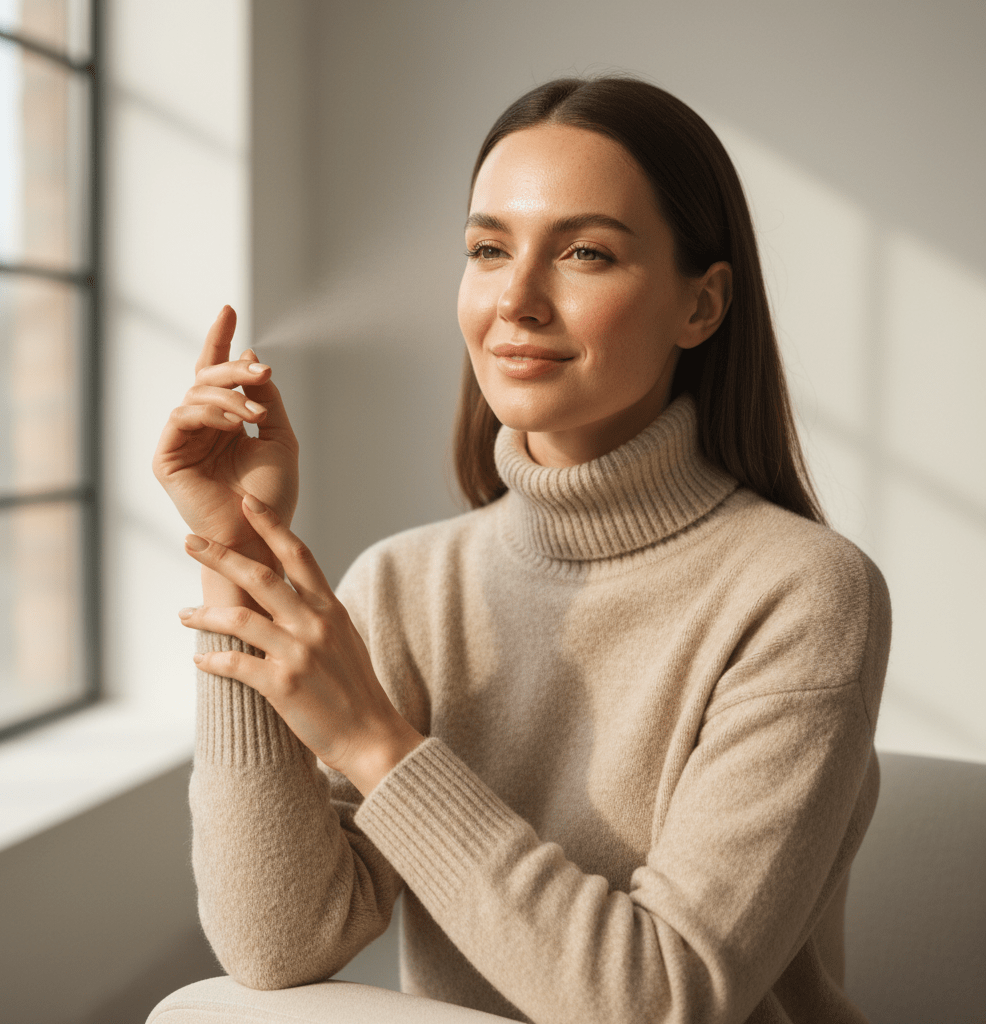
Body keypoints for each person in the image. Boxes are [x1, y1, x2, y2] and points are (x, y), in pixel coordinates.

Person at [153, 76, 890, 1024]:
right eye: (488, 249)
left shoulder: (806, 594)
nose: (517, 300)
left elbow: (663, 1001)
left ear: (700, 307)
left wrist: (375, 744)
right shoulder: (408, 581)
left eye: (584, 253)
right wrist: (234, 552)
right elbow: (277, 946)